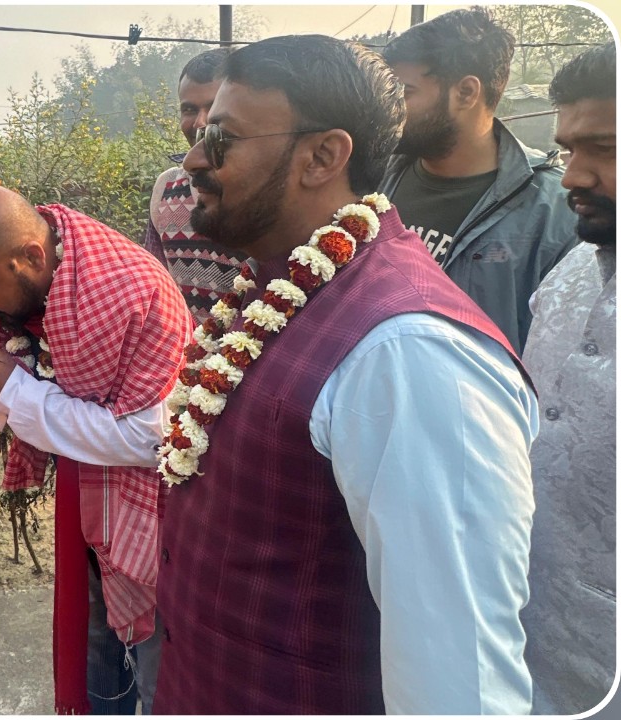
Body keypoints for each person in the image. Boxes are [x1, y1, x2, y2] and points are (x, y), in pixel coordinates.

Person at [155, 36, 538, 714]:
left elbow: (459, 684)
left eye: (222, 139)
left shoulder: (409, 353)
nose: (192, 160)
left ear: (323, 157)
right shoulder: (271, 285)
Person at [0, 183, 188, 714]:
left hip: (156, 520)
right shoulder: (41, 279)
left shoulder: (126, 293)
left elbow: (147, 439)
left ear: (32, 257)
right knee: (99, 660)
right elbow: (20, 396)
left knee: (159, 676)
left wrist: (10, 391)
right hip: (89, 502)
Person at [378, 6, 578, 353]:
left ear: (466, 93)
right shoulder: (376, 179)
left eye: (404, 92)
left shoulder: (556, 213)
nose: (388, 109)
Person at [520, 42, 616, 716]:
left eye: (604, 148)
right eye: (568, 149)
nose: (572, 175)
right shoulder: (572, 270)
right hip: (527, 635)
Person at [143, 47, 251, 325]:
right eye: (189, 109)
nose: (201, 122)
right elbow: (157, 284)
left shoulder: (264, 188)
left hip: (261, 342)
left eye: (214, 108)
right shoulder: (166, 188)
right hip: (189, 348)